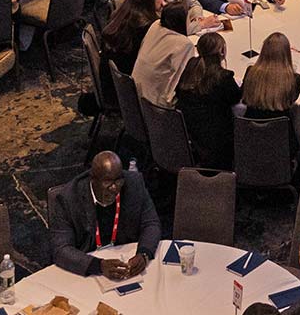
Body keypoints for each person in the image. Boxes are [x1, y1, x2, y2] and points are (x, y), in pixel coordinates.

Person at [48, 149, 162, 279]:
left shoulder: (134, 184)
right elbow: (61, 249)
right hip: (87, 268)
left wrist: (144, 254)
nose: (114, 188)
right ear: (92, 180)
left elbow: (151, 223)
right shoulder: (68, 198)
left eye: (118, 181)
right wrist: (98, 266)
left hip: (124, 259)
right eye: (107, 182)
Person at [175, 31, 241, 168]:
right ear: (221, 52)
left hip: (190, 132)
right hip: (217, 138)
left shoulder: (191, 65)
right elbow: (236, 97)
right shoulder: (222, 77)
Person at [132, 4, 194, 108]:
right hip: (155, 104)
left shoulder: (156, 25)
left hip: (135, 91)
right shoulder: (184, 44)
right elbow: (185, 77)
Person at [241, 31, 300, 126]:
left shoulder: (251, 72)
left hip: (249, 133)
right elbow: (291, 102)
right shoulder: (294, 79)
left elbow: (243, 97)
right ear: (287, 53)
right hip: (281, 134)